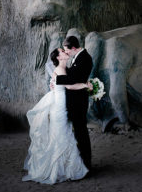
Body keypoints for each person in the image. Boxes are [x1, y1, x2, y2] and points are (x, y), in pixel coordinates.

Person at [22, 48, 91, 184]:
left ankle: (63, 167)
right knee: (61, 135)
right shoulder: (60, 69)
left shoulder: (64, 68)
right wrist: (85, 85)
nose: (65, 52)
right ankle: (58, 169)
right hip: (59, 107)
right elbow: (70, 87)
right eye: (62, 51)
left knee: (63, 134)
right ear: (59, 57)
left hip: (62, 105)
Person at [55, 36, 93, 170]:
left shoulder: (84, 58)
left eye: (67, 50)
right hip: (74, 101)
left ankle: (86, 163)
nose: (66, 53)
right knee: (78, 132)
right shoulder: (78, 58)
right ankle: (82, 162)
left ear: (74, 48)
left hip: (79, 102)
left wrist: (56, 79)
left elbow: (71, 80)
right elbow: (72, 78)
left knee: (81, 132)